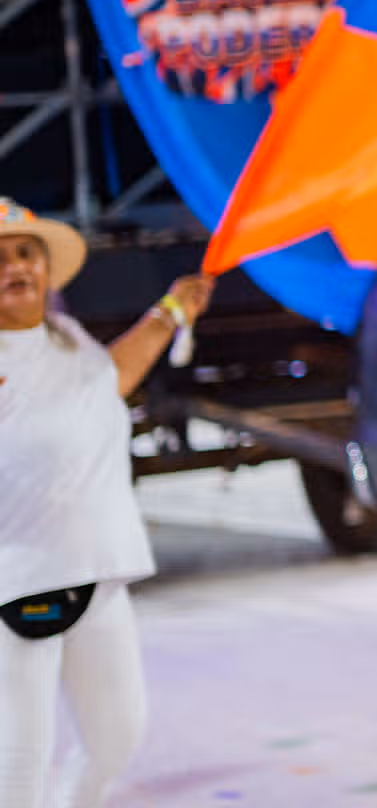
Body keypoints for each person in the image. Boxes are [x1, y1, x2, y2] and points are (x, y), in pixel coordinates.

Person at [0, 199, 215, 808]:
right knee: (18, 764)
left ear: (45, 269)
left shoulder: (66, 340)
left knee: (117, 737)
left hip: (97, 574)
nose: (15, 267)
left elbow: (109, 379)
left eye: (25, 254)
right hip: (18, 586)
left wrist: (171, 312)